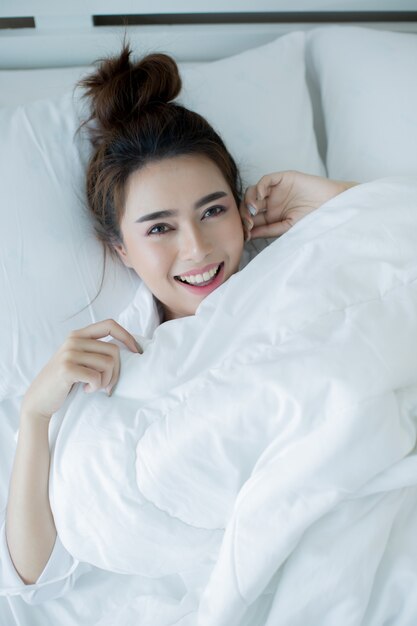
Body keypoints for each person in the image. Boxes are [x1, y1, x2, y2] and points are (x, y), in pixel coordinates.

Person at [2, 44, 356, 599]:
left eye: (213, 211)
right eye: (160, 228)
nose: (197, 249)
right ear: (120, 249)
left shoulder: (300, 279)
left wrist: (332, 202)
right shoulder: (105, 368)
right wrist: (35, 413)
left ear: (241, 210)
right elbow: (33, 578)